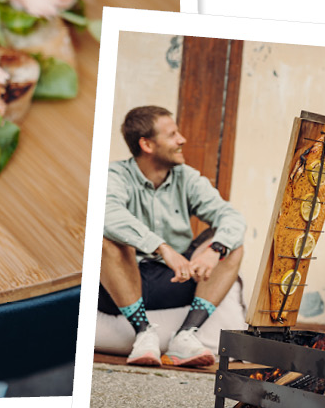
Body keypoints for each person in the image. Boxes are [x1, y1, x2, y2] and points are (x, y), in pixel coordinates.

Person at [100, 105, 245, 367]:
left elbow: (231, 216)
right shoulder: (116, 176)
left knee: (231, 243)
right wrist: (161, 247)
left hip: (176, 279)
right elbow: (107, 213)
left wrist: (216, 250)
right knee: (107, 240)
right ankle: (144, 333)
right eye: (172, 134)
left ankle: (185, 336)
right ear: (147, 144)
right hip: (124, 283)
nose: (182, 140)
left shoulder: (186, 177)